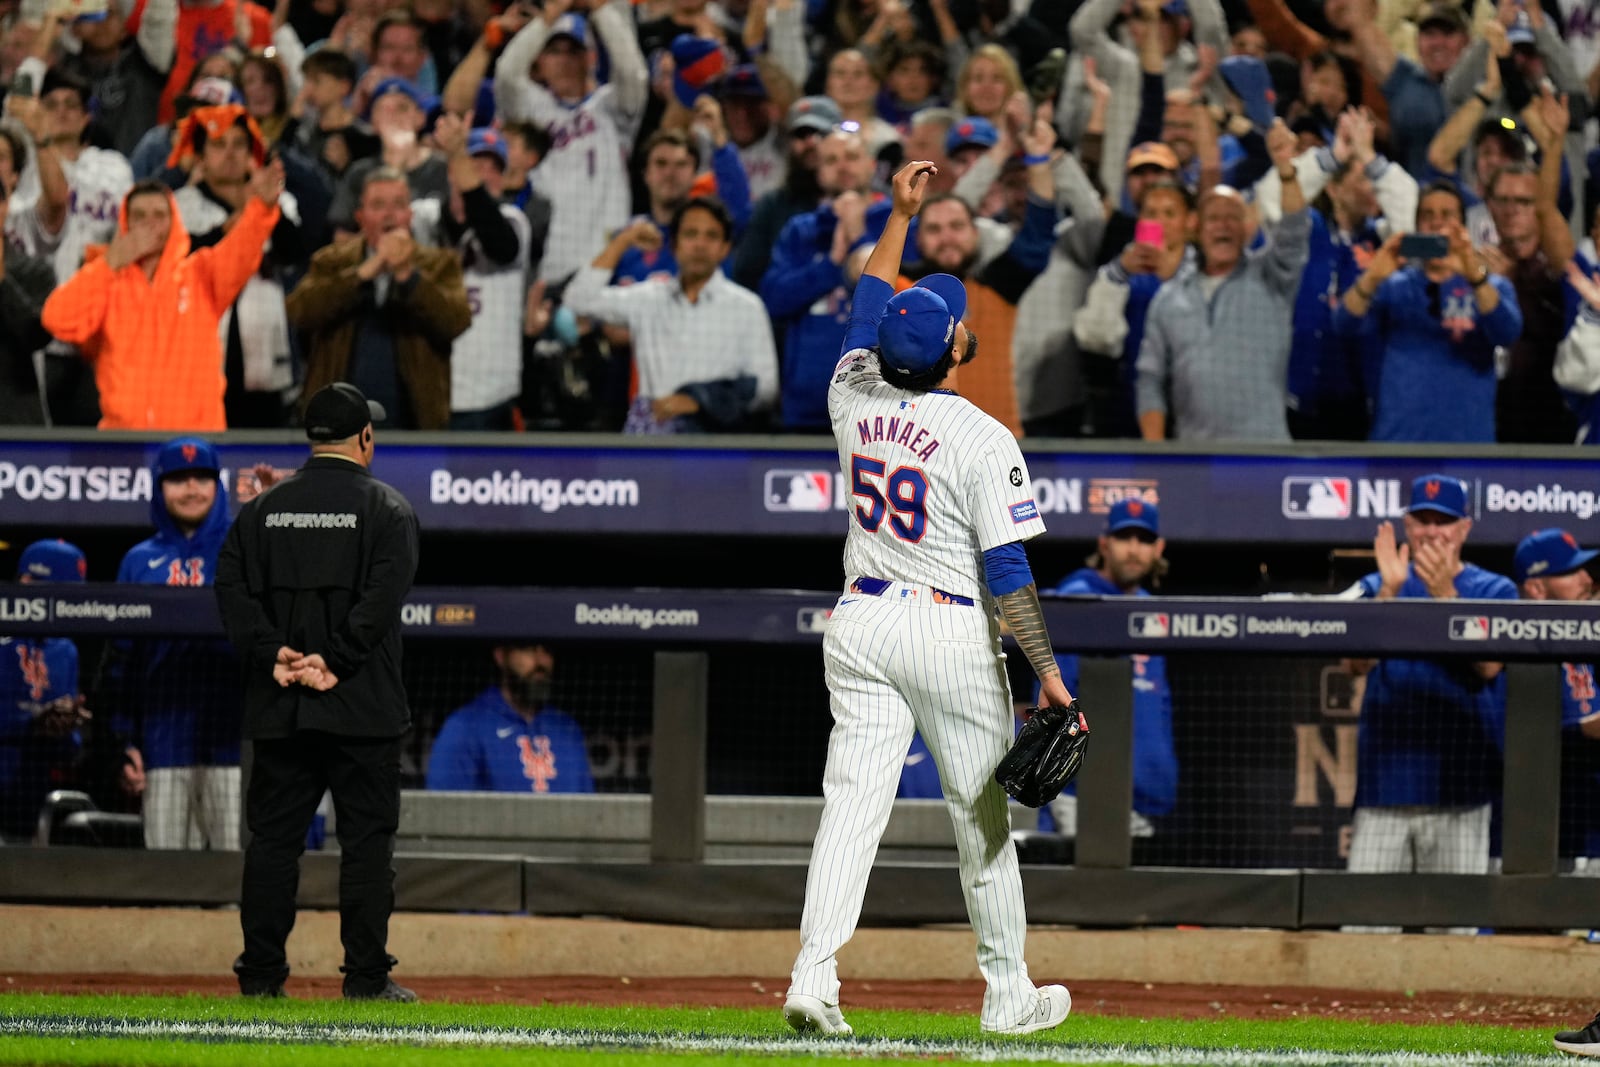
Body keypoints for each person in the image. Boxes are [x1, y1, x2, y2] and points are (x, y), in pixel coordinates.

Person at [785, 159, 1074, 1037]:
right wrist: (1050, 676)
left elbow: (872, 301)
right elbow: (1011, 577)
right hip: (949, 628)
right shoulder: (983, 435)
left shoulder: (850, 392)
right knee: (981, 821)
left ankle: (812, 975)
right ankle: (1007, 990)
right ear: (954, 348)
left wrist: (898, 216)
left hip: (863, 619)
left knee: (852, 807)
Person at [215, 381, 420, 1003]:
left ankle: (260, 980)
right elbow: (381, 602)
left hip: (280, 701)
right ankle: (364, 982)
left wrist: (269, 649)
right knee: (365, 848)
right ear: (364, 438)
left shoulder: (263, 508)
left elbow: (228, 583)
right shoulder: (389, 508)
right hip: (361, 704)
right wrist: (334, 660)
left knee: (273, 844)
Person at [1341, 474, 1516, 933]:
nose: (1433, 532)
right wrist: (1387, 597)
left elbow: (1490, 666)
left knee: (1454, 937)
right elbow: (1353, 665)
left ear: (1464, 529)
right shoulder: (1382, 582)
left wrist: (1445, 598)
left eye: (1445, 522)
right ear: (1407, 525)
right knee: (1364, 932)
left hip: (1462, 788)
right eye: (1423, 521)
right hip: (1386, 786)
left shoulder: (1495, 591)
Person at [40, 166, 283, 431]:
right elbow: (57, 319)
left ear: (174, 222)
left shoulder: (200, 274)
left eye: (159, 215)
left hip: (193, 445)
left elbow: (242, 249)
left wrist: (261, 207)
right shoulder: (107, 280)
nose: (150, 224)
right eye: (140, 216)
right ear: (125, 223)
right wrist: (110, 263)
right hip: (125, 444)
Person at [102, 437, 242, 851]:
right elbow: (119, 663)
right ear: (160, 488)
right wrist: (124, 741)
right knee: (166, 879)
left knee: (233, 881)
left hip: (234, 745)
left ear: (218, 485)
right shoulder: (138, 560)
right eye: (178, 479)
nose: (191, 488)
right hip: (163, 744)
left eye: (202, 477)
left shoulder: (244, 547)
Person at [563, 196, 777, 434]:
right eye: (690, 234)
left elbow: (766, 388)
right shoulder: (648, 299)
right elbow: (578, 300)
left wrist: (701, 401)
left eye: (711, 236)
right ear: (674, 245)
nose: (700, 244)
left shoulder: (747, 307)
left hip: (719, 442)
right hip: (654, 442)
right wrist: (623, 241)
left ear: (725, 248)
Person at [287, 166, 473, 431]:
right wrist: (363, 274)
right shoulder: (331, 261)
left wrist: (408, 276)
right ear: (360, 217)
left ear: (409, 215)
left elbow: (456, 321)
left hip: (415, 423)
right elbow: (300, 312)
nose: (389, 214)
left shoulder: (439, 264)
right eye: (378, 205)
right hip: (337, 425)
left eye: (398, 205)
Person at [1334, 182, 1523, 443]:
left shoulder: (1492, 287)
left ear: (1463, 227)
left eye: (1447, 215)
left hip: (1468, 446)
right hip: (1399, 443)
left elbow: (1508, 332)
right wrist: (1372, 276)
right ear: (1416, 226)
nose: (1436, 223)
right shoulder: (1393, 286)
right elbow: (1344, 324)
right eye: (1427, 215)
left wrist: (1474, 277)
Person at [1038, 499, 1175, 840]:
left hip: (1144, 794)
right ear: (1104, 544)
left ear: (1158, 548)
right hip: (1085, 795)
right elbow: (1054, 703)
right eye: (1123, 537)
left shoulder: (1150, 608)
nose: (1133, 549)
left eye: (1143, 540)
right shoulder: (1076, 601)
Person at [1512, 528, 1600, 869]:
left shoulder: (1579, 640)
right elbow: (1589, 727)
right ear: (1536, 588)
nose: (1586, 580)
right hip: (1537, 829)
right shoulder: (1528, 644)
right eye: (1570, 572)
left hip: (1578, 822)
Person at [0, 539, 90, 843]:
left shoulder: (65, 649)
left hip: (30, 797)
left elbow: (71, 750)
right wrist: (33, 723)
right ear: (28, 581)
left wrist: (63, 729)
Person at [425, 643, 594, 793]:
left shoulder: (567, 729)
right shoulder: (465, 726)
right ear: (501, 656)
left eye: (547, 651)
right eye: (528, 649)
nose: (541, 661)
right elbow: (442, 812)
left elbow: (588, 813)